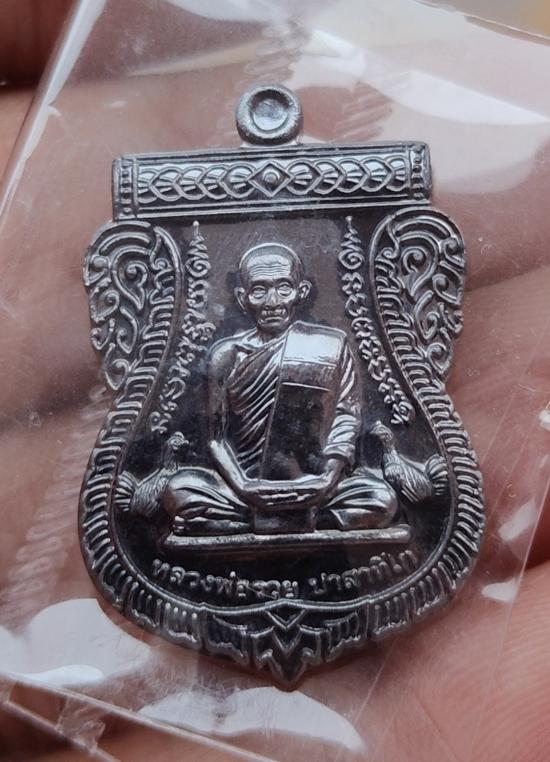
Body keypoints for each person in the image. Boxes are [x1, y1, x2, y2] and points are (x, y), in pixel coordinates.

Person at [163, 243, 397, 535]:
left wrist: (326, 481)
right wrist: (244, 486)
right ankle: (297, 520)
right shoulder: (226, 355)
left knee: (381, 499)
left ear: (301, 292)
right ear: (242, 298)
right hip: (243, 489)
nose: (272, 302)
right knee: (179, 490)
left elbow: (347, 417)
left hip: (315, 484)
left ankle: (250, 523)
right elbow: (215, 439)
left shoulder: (331, 346)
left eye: (284, 287)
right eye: (259, 290)